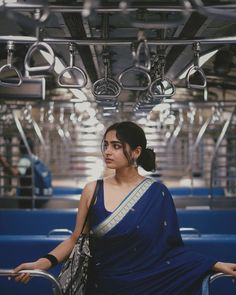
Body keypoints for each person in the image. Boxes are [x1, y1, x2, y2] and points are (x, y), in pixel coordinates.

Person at [13, 121, 236, 294]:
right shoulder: (92, 190)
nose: (107, 151)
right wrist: (41, 263)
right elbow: (75, 240)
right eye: (106, 145)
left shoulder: (158, 193)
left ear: (136, 152)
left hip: (147, 286)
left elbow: (170, 250)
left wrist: (214, 264)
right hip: (101, 286)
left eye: (116, 146)